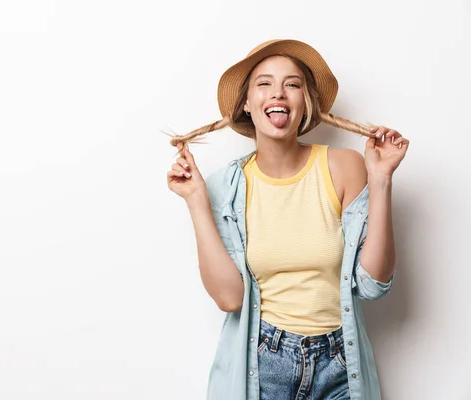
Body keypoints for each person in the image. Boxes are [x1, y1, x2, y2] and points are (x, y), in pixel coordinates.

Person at [166, 39, 409, 400]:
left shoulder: (345, 167)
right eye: (264, 83)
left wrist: (381, 179)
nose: (278, 93)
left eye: (292, 84)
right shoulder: (226, 188)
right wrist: (197, 200)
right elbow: (231, 299)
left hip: (341, 363)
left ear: (305, 103)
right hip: (264, 365)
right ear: (247, 104)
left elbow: (372, 285)